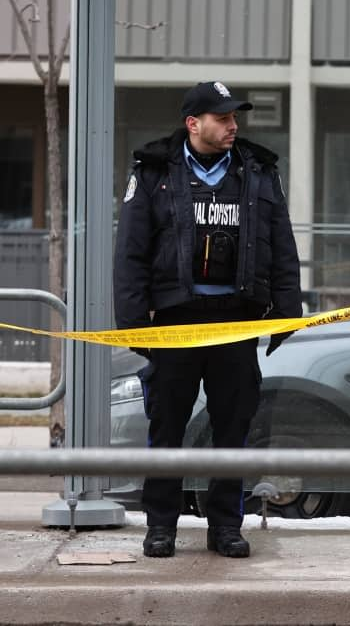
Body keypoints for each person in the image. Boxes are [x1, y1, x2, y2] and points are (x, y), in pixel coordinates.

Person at [113, 81, 302, 559]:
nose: (233, 125)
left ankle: (225, 527)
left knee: (233, 428)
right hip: (176, 321)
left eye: (235, 117)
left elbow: (282, 245)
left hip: (234, 322)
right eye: (223, 118)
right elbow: (131, 253)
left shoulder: (258, 172)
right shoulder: (153, 172)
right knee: (167, 427)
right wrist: (134, 322)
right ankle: (161, 527)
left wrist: (285, 312)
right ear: (193, 123)